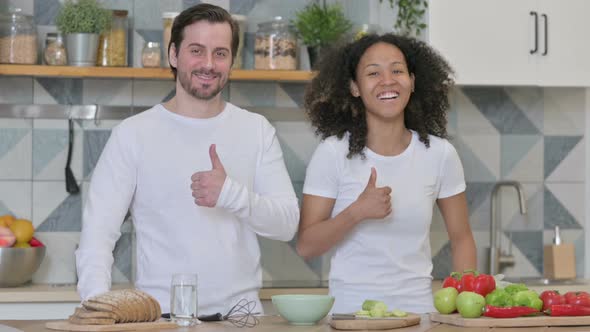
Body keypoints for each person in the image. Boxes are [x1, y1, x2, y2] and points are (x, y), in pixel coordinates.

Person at [75, 3, 299, 315]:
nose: (209, 63)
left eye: (220, 53)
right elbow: (97, 236)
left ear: (231, 60)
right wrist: (96, 308)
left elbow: (287, 224)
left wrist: (231, 194)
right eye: (197, 50)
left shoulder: (257, 130)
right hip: (161, 318)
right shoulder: (133, 134)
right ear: (173, 55)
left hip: (241, 319)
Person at [297, 33, 477, 314]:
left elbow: (462, 238)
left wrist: (467, 303)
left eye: (397, 70)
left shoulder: (440, 155)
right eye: (373, 73)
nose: (388, 80)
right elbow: (307, 246)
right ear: (355, 87)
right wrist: (357, 211)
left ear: (413, 81)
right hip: (351, 315)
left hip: (419, 314)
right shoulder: (332, 154)